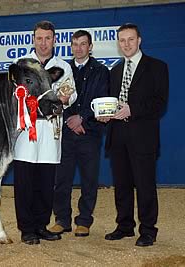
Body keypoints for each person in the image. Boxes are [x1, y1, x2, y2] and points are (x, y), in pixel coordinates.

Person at [99, 23, 169, 247]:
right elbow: (111, 102)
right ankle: (125, 226)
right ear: (118, 44)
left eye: (130, 39)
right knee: (121, 185)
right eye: (122, 40)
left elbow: (160, 103)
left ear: (139, 40)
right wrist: (105, 115)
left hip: (143, 137)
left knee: (145, 185)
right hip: (118, 136)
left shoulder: (157, 67)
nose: (126, 44)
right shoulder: (115, 71)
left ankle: (148, 230)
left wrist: (133, 109)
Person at [13, 20, 77, 245]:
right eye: (39, 38)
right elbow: (13, 95)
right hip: (26, 130)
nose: (43, 43)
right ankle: (26, 229)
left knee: (46, 181)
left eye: (47, 38)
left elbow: (71, 93)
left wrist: (67, 98)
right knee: (24, 182)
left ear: (54, 40)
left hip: (51, 129)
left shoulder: (64, 67)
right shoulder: (21, 64)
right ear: (33, 39)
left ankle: (41, 225)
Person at [51, 30, 109, 237]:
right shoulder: (63, 69)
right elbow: (58, 97)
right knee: (62, 179)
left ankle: (84, 221)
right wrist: (70, 119)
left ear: (90, 47)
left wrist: (82, 118)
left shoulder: (101, 71)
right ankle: (62, 220)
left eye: (83, 44)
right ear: (71, 46)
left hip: (90, 133)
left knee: (89, 179)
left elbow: (102, 100)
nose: (78, 48)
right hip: (66, 132)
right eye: (75, 44)